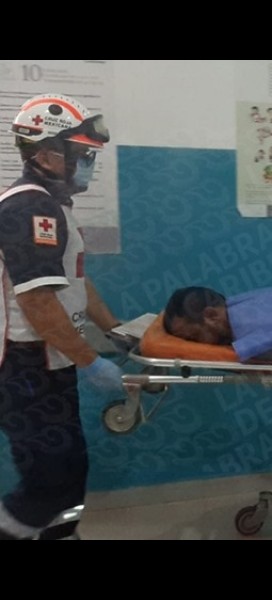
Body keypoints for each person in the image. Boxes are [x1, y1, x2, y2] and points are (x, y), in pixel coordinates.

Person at [0, 93, 126, 540]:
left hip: (53, 359)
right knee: (48, 477)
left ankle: (62, 535)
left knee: (72, 466)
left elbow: (75, 283)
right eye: (81, 153)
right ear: (46, 154)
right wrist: (92, 361)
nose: (88, 163)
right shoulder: (27, 208)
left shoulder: (56, 207)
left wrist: (114, 329)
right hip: (24, 364)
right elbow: (37, 302)